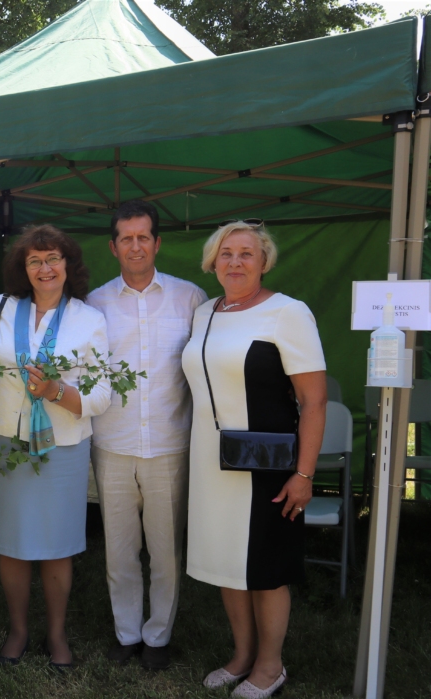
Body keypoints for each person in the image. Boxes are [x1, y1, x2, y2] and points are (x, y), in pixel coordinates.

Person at [181, 221, 326, 698]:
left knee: (265, 569)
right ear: (212, 262)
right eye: (226, 253)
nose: (236, 262)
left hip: (266, 463)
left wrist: (304, 473)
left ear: (264, 262)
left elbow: (314, 401)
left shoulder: (288, 313)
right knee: (228, 561)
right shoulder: (204, 313)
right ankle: (242, 655)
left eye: (247, 253)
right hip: (212, 461)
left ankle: (270, 665)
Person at [0, 224, 112, 670]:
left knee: (58, 544)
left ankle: (57, 633)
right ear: (22, 268)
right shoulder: (0, 307)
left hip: (62, 445)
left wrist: (55, 391)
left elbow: (102, 394)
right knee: (12, 542)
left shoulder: (89, 319)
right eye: (34, 261)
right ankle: (19, 629)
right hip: (4, 440)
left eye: (53, 259)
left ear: (68, 264)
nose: (45, 269)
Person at [85, 200, 207, 670]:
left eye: (143, 237)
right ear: (113, 247)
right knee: (119, 549)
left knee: (165, 550)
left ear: (157, 243)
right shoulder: (94, 305)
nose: (135, 246)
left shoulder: (190, 298)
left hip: (170, 444)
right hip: (111, 443)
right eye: (126, 238)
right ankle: (127, 632)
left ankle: (158, 636)